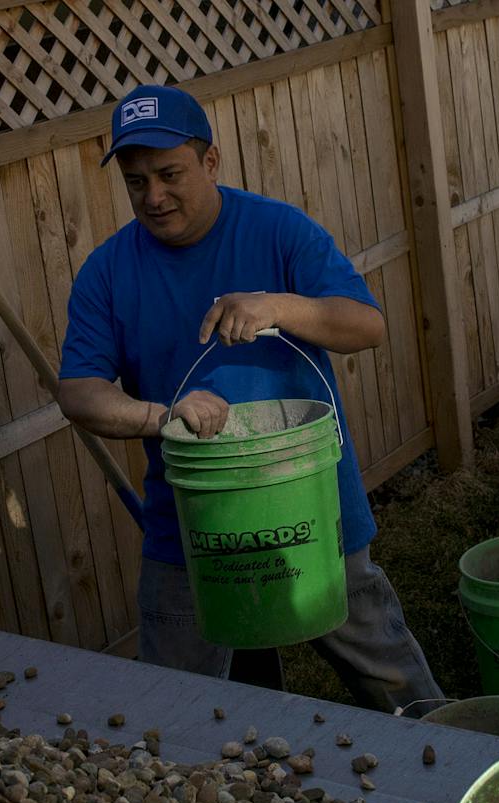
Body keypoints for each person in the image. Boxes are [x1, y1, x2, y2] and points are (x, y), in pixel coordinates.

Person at [58, 83, 442, 713]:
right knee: (174, 712)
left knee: (391, 676)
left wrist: (278, 306)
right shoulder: (107, 271)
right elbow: (80, 394)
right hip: (191, 526)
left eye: (169, 173)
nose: (153, 197)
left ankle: (457, 770)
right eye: (135, 181)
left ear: (210, 162)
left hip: (309, 507)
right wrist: (161, 416)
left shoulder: (277, 230)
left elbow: (367, 326)